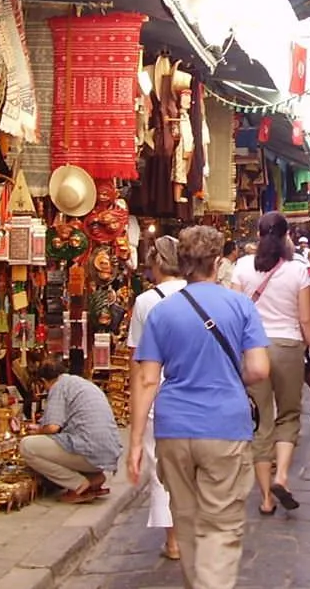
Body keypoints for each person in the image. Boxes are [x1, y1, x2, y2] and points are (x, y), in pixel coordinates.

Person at [128, 225, 270, 589]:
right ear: (218, 262)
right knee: (221, 524)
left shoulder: (161, 311)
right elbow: (258, 368)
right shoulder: (240, 305)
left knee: (187, 518)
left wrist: (134, 444)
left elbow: (146, 380)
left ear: (184, 263)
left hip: (173, 428)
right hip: (224, 425)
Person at [231, 211, 310, 514]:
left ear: (258, 234)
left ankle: (266, 500)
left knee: (261, 422)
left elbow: (234, 315)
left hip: (253, 348)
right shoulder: (299, 271)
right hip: (288, 347)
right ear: (286, 237)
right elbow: (306, 319)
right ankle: (281, 476)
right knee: (289, 415)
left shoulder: (242, 268)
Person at [127, 236, 186, 558]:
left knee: (161, 468)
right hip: (193, 390)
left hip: (158, 392)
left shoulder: (146, 301)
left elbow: (138, 362)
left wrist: (134, 416)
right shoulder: (200, 294)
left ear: (157, 263)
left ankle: (174, 540)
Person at [20, 362, 122, 503]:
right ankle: (94, 477)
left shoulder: (59, 387)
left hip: (90, 450)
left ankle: (78, 484)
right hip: (106, 453)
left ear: (44, 381)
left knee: (27, 446)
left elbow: (52, 428)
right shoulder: (81, 383)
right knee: (63, 441)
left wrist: (37, 430)